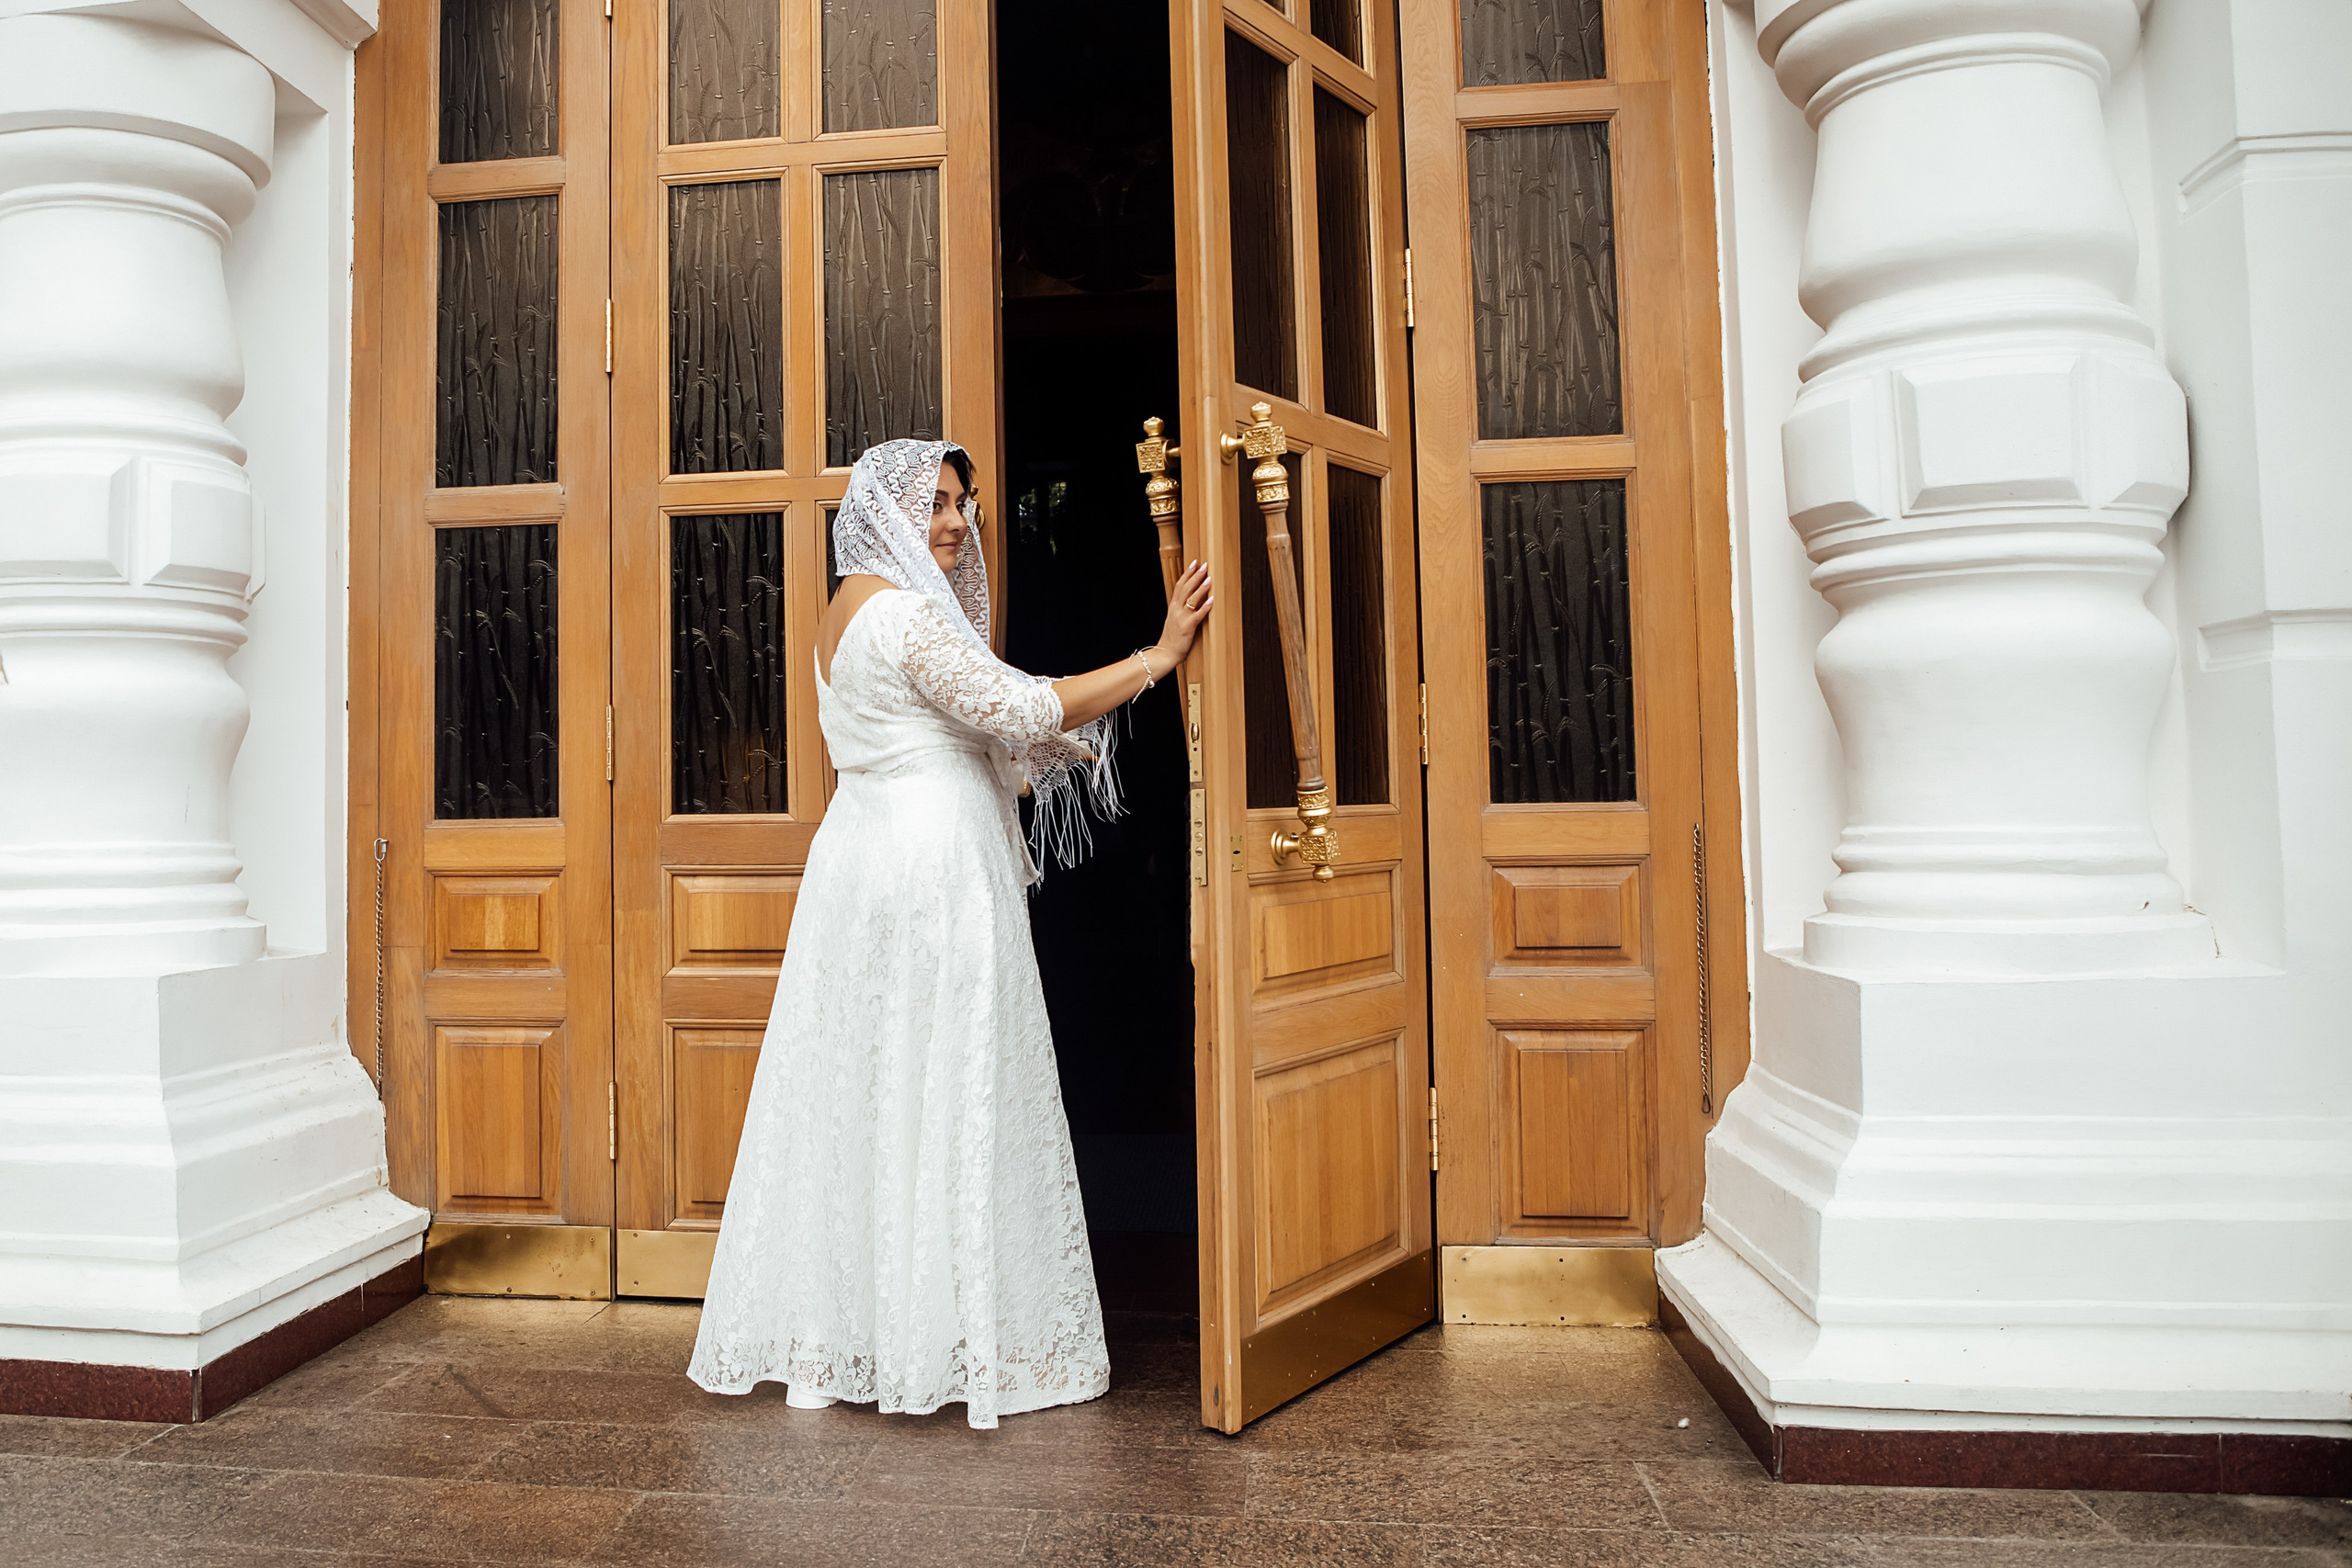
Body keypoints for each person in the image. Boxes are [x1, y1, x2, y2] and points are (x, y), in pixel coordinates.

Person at [687, 436, 1214, 1428]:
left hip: (862, 868)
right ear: (882, 507)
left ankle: (885, 1333)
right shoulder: (899, 614)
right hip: (929, 875)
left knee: (885, 1092)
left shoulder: (841, 616)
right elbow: (1019, 705)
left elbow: (960, 729)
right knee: (955, 1083)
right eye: (931, 501)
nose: (953, 522)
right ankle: (952, 1335)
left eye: (962, 505)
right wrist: (1158, 657)